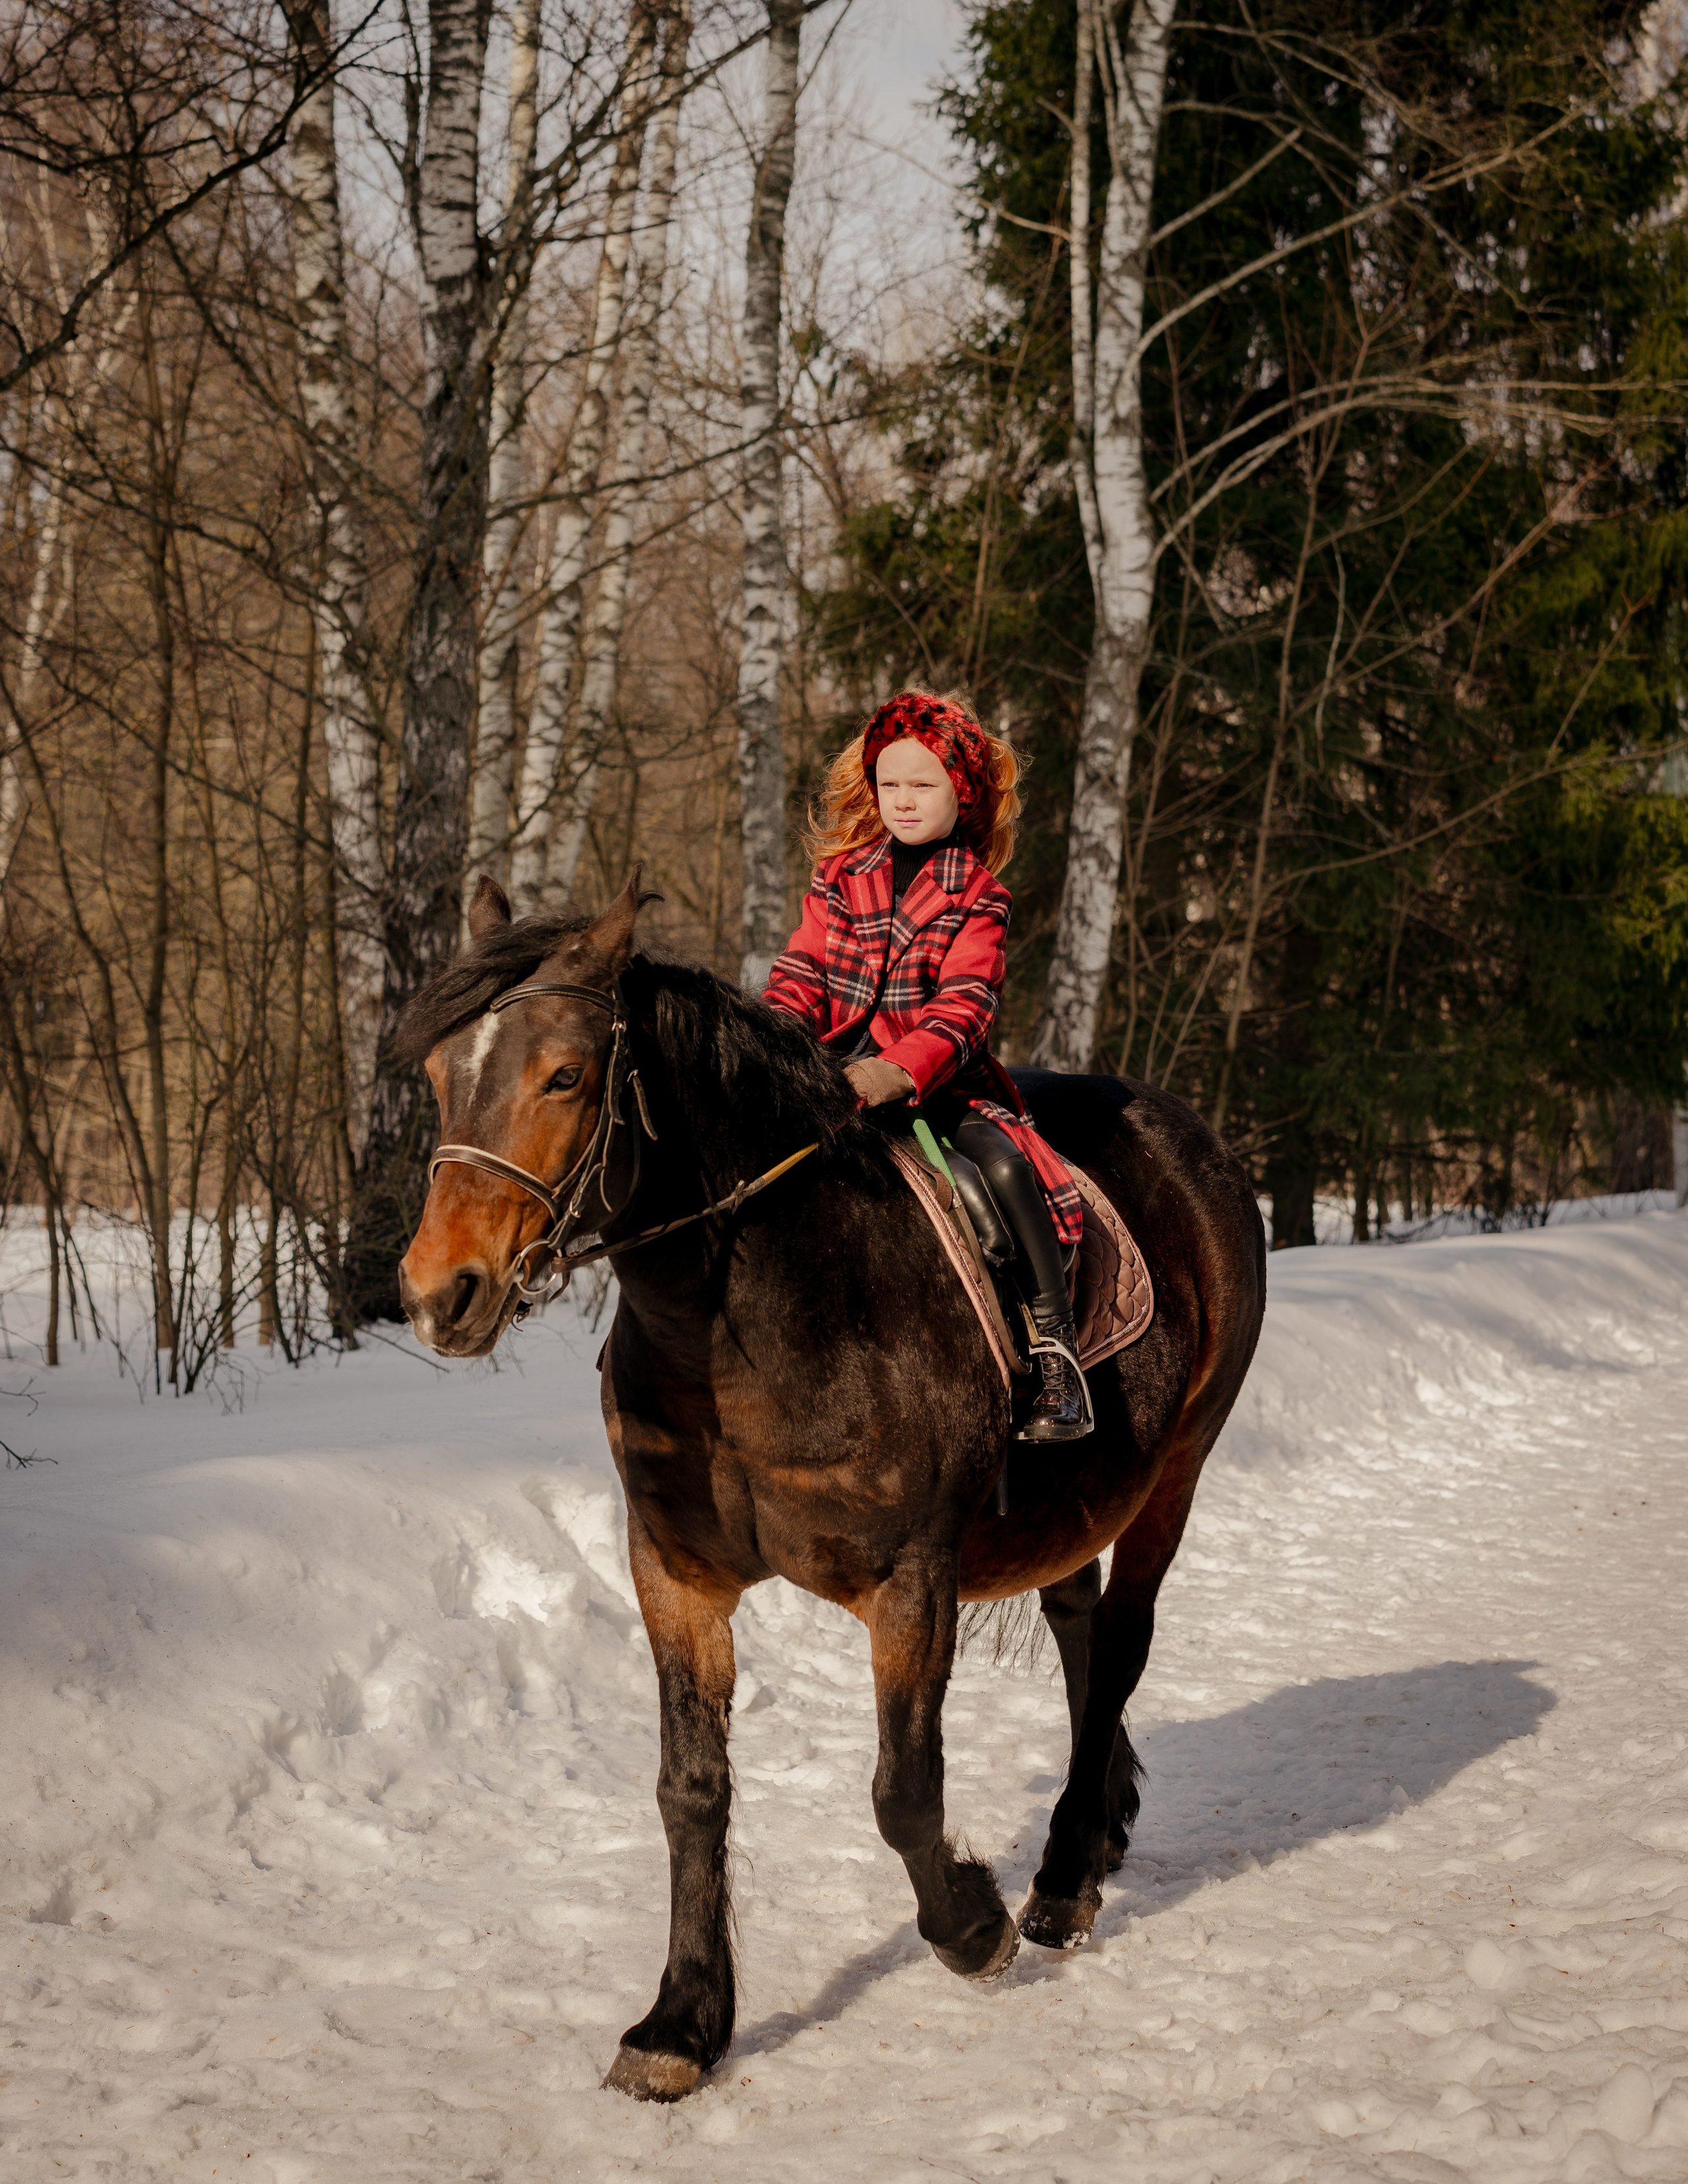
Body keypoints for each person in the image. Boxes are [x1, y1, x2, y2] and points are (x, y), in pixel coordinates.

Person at [763, 689, 1092, 1442]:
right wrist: (776, 1037)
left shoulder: (979, 896)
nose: (903, 801)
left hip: (937, 1087)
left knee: (1006, 1171)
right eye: (891, 784)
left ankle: (1053, 1353)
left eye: (924, 785)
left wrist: (897, 1070)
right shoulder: (840, 877)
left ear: (961, 792)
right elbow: (801, 970)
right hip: (830, 1076)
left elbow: (963, 1007)